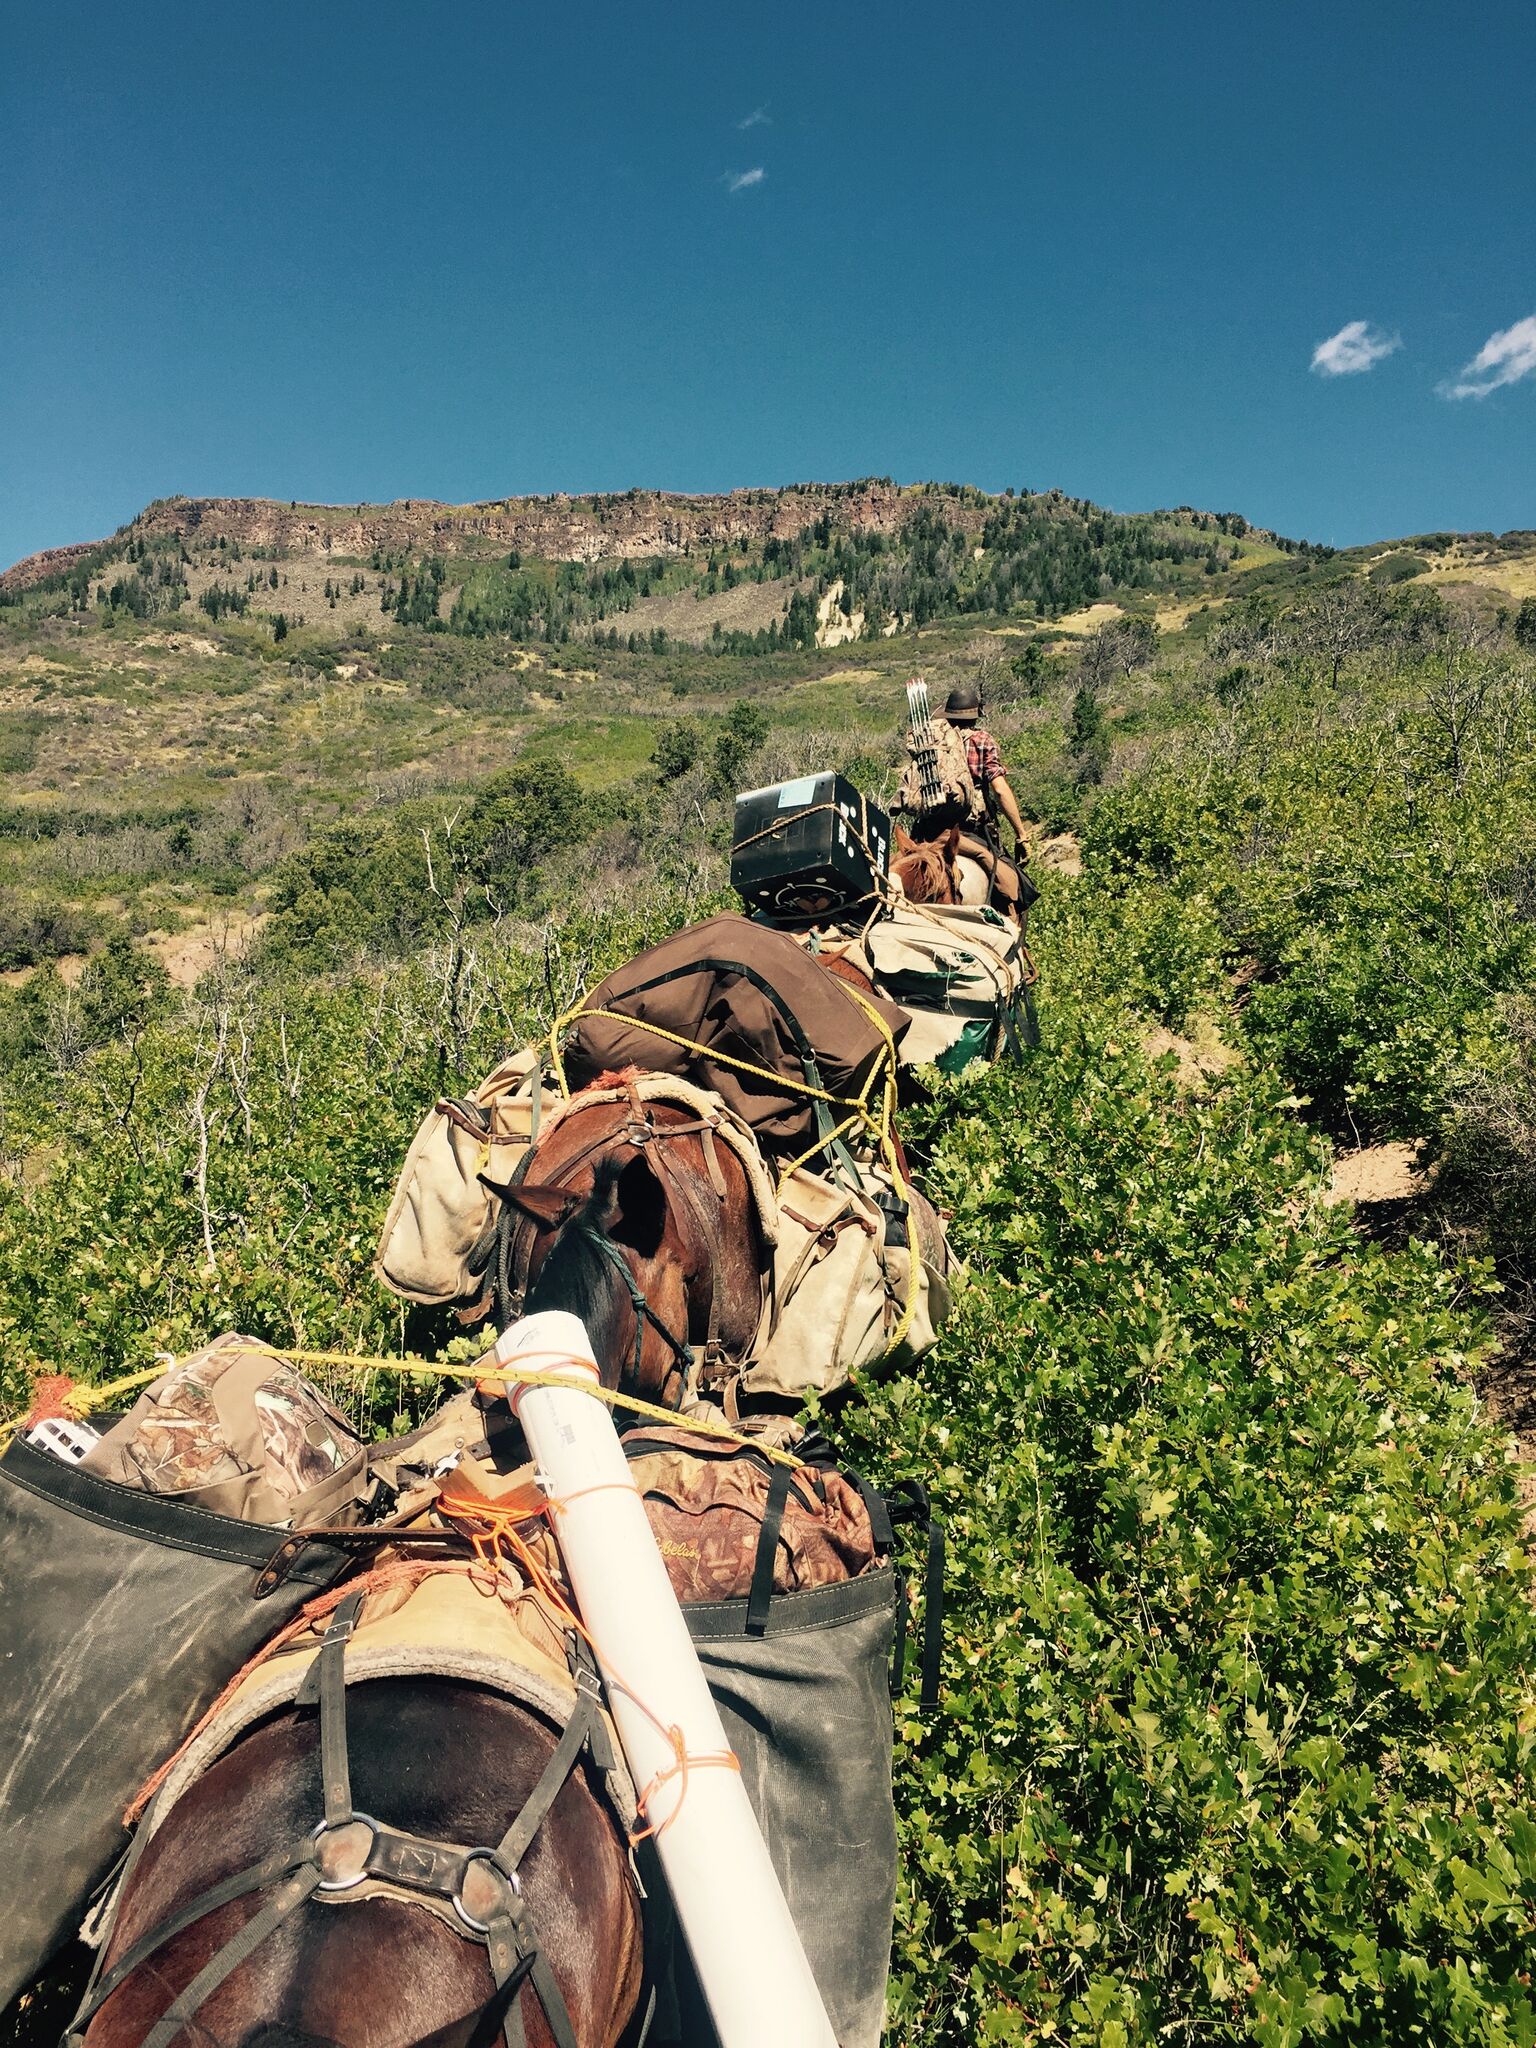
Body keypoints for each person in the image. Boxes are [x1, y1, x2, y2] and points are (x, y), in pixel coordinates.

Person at [936, 686, 1028, 855]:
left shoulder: (933, 742)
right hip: (971, 827)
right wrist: (1021, 834)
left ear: (948, 716)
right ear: (975, 717)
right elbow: (999, 790)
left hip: (931, 828)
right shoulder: (982, 740)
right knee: (1011, 879)